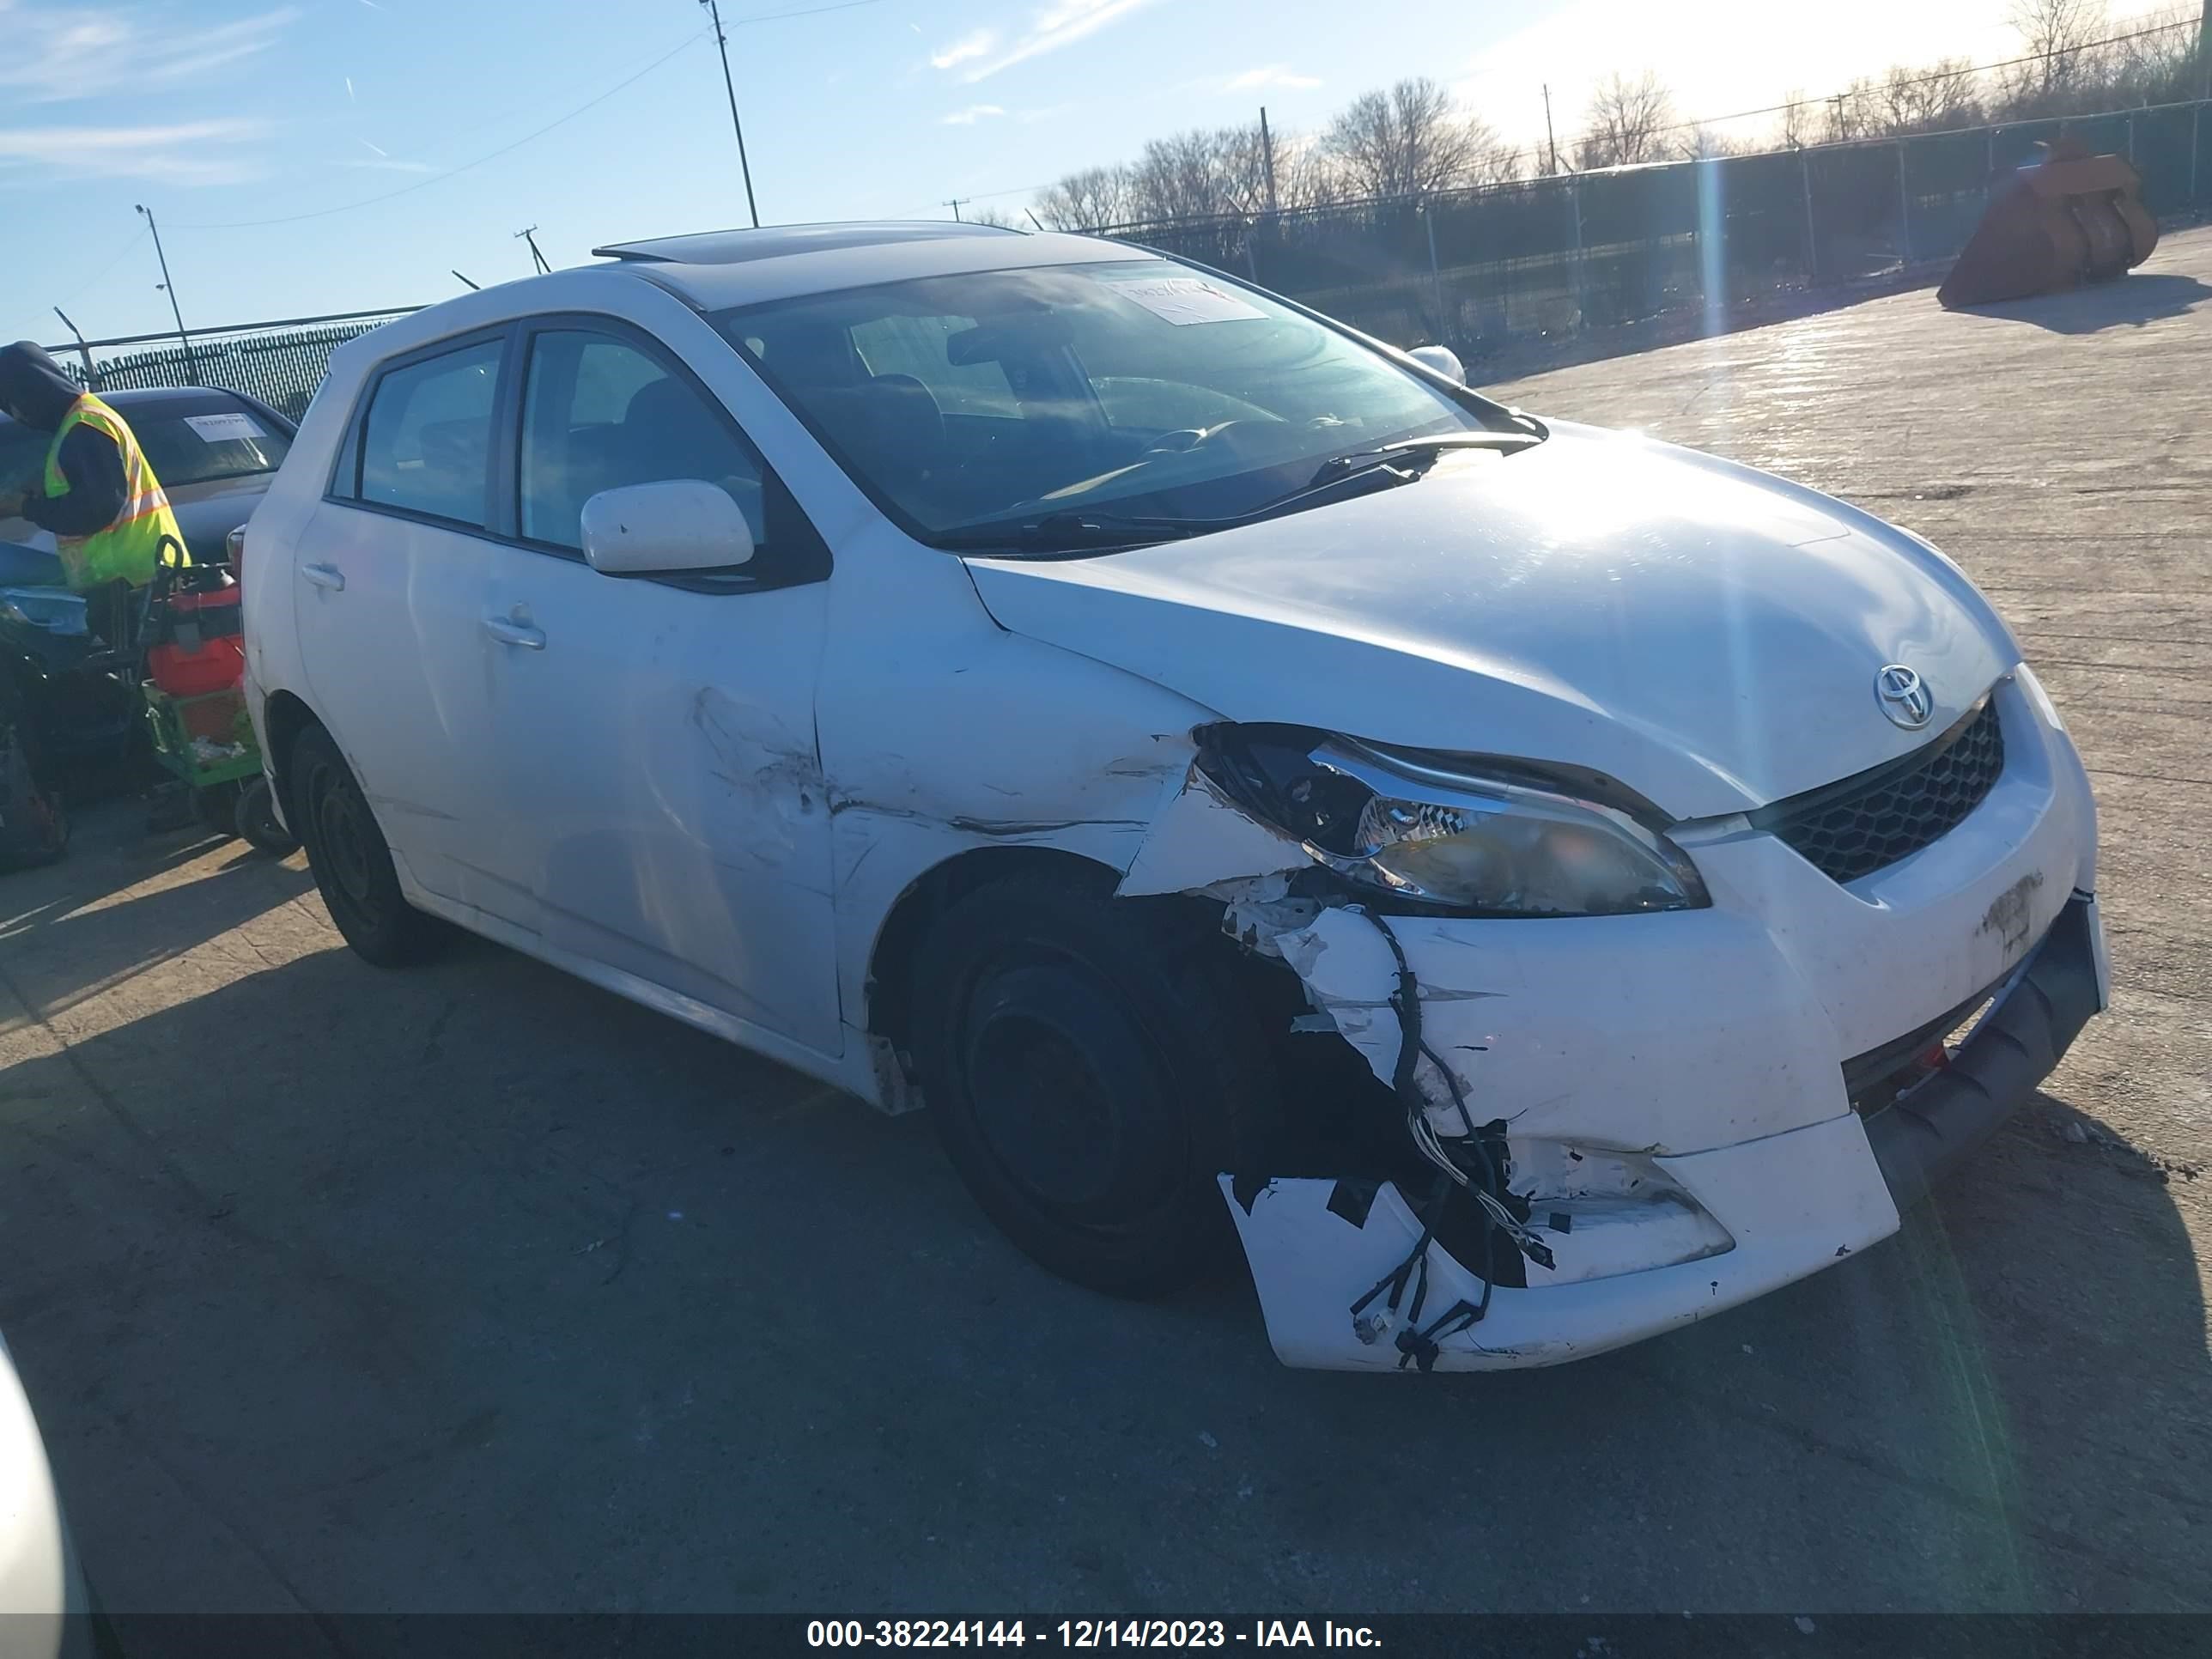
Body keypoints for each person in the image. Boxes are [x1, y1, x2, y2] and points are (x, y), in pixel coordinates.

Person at [0, 342, 187, 644]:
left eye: (12, 402)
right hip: (141, 578)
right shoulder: (84, 420)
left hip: (129, 585)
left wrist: (25, 507)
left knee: (144, 680)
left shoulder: (84, 426)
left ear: (30, 390)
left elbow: (98, 507)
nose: (17, 414)